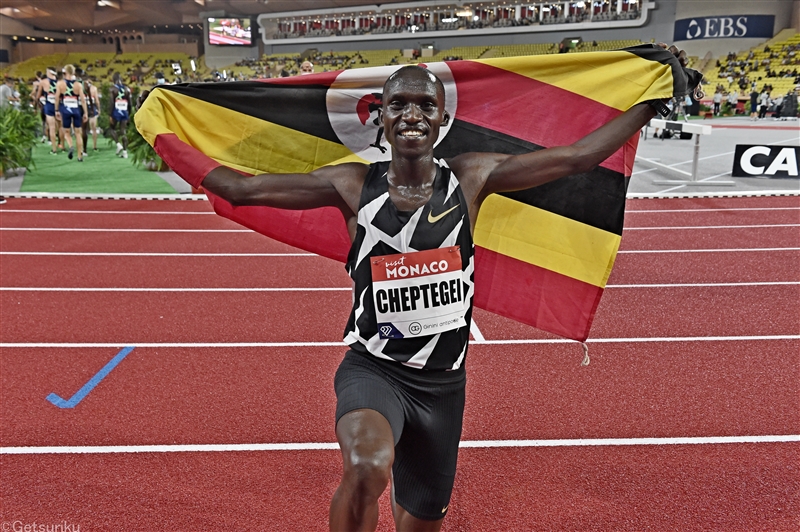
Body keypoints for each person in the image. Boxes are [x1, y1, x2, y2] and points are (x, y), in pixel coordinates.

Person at [169, 46, 689, 532]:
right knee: (367, 465)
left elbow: (575, 157)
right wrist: (162, 128)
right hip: (374, 370)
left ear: (443, 119)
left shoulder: (472, 177)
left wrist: (651, 103)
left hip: (442, 388)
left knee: (421, 522)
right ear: (380, 117)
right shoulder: (351, 184)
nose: (412, 114)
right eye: (398, 104)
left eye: (425, 105)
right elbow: (240, 188)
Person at [54, 64, 88, 162]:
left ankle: (71, 145)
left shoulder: (60, 84)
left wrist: (56, 110)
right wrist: (85, 113)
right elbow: (83, 100)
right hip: (76, 109)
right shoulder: (78, 84)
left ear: (65, 73)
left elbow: (56, 98)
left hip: (65, 109)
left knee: (67, 132)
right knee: (78, 133)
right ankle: (80, 156)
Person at [34, 68, 60, 154]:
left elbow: (38, 96)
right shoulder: (60, 82)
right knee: (60, 127)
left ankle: (54, 149)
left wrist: (35, 106)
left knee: (51, 127)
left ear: (49, 73)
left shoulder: (43, 82)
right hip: (58, 105)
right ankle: (62, 145)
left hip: (49, 105)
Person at [109, 72, 132, 159]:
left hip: (116, 111)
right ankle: (125, 152)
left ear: (113, 80)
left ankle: (118, 145)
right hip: (124, 111)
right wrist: (129, 114)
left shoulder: (112, 89)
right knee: (123, 131)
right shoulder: (127, 89)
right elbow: (130, 104)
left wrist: (110, 114)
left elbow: (111, 102)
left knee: (111, 129)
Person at [84, 78, 101, 152]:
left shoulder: (82, 88)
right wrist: (99, 109)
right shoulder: (94, 89)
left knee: (84, 129)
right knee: (93, 128)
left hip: (85, 108)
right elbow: (97, 101)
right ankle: (94, 146)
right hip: (92, 108)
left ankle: (84, 147)